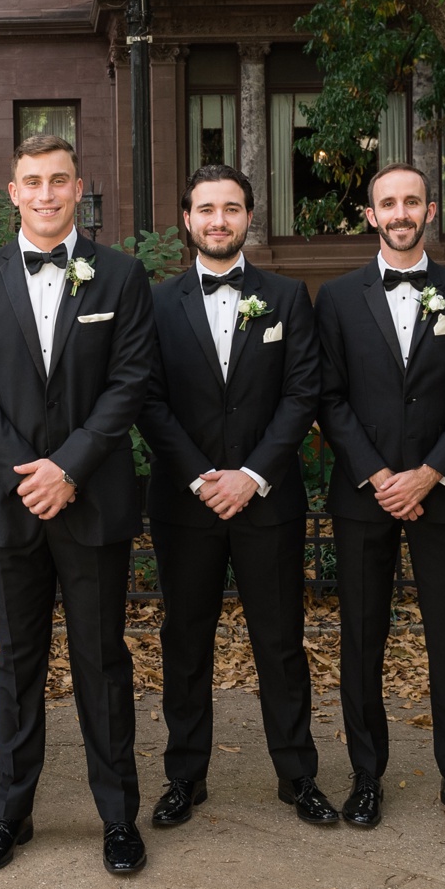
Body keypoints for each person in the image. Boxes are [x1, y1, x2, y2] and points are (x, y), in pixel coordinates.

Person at [0, 133, 156, 875]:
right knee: (17, 662)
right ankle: (10, 813)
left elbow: (130, 382)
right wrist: (24, 472)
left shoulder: (121, 276)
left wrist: (68, 468)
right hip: (6, 505)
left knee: (102, 661)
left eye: (58, 180)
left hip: (92, 499)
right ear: (12, 191)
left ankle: (118, 816)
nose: (44, 193)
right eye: (31, 181)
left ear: (78, 188)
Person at [137, 164, 333, 827]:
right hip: (183, 504)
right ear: (187, 220)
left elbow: (302, 392)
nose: (219, 220)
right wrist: (201, 477)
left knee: (280, 642)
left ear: (250, 217)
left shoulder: (286, 296)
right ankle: (184, 778)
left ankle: (298, 777)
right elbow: (148, 400)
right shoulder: (157, 303)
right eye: (206, 209)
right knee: (184, 642)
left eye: (232, 208)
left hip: (268, 503)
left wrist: (252, 475)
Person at [315, 163, 445, 834]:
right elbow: (328, 397)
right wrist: (378, 476)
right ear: (370, 214)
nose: (399, 212)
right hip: (364, 497)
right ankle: (366, 779)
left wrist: (428, 473)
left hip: (443, 496)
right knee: (361, 639)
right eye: (387, 203)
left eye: (411, 201)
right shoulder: (335, 299)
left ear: (430, 210)